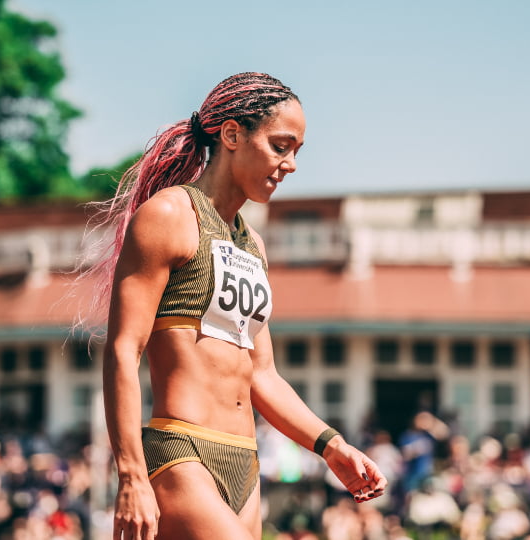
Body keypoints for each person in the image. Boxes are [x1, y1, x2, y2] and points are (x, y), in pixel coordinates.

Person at [83, 72, 387, 539]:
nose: (290, 164)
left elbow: (262, 375)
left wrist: (331, 446)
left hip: (245, 464)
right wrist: (131, 474)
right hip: (182, 453)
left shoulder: (253, 246)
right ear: (231, 134)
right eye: (280, 146)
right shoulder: (168, 216)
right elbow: (124, 350)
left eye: (297, 152)